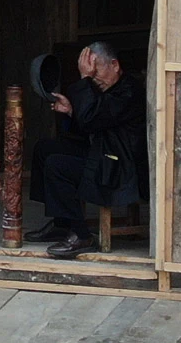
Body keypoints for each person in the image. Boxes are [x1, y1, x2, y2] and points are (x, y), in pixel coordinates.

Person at [27, 42, 148, 259]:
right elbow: (88, 125)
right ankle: (62, 221)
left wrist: (84, 80)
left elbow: (94, 119)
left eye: (96, 70)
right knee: (45, 149)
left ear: (115, 65)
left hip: (120, 165)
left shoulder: (130, 91)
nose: (93, 77)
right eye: (88, 72)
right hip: (101, 153)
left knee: (58, 166)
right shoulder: (101, 87)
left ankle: (82, 235)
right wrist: (72, 111)